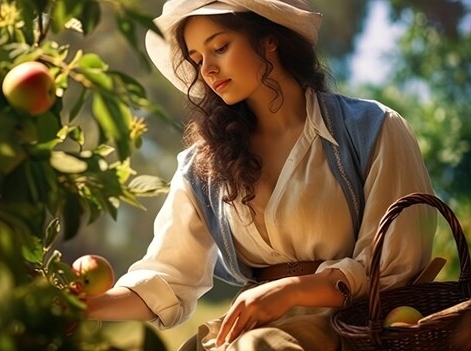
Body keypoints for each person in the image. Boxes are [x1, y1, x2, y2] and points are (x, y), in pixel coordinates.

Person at [86, 0, 437, 350]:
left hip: (348, 326)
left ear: (269, 38)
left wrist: (292, 290)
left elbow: (394, 265)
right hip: (249, 329)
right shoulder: (203, 165)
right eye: (196, 60)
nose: (207, 69)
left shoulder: (373, 129)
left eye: (219, 47)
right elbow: (165, 280)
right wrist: (80, 308)